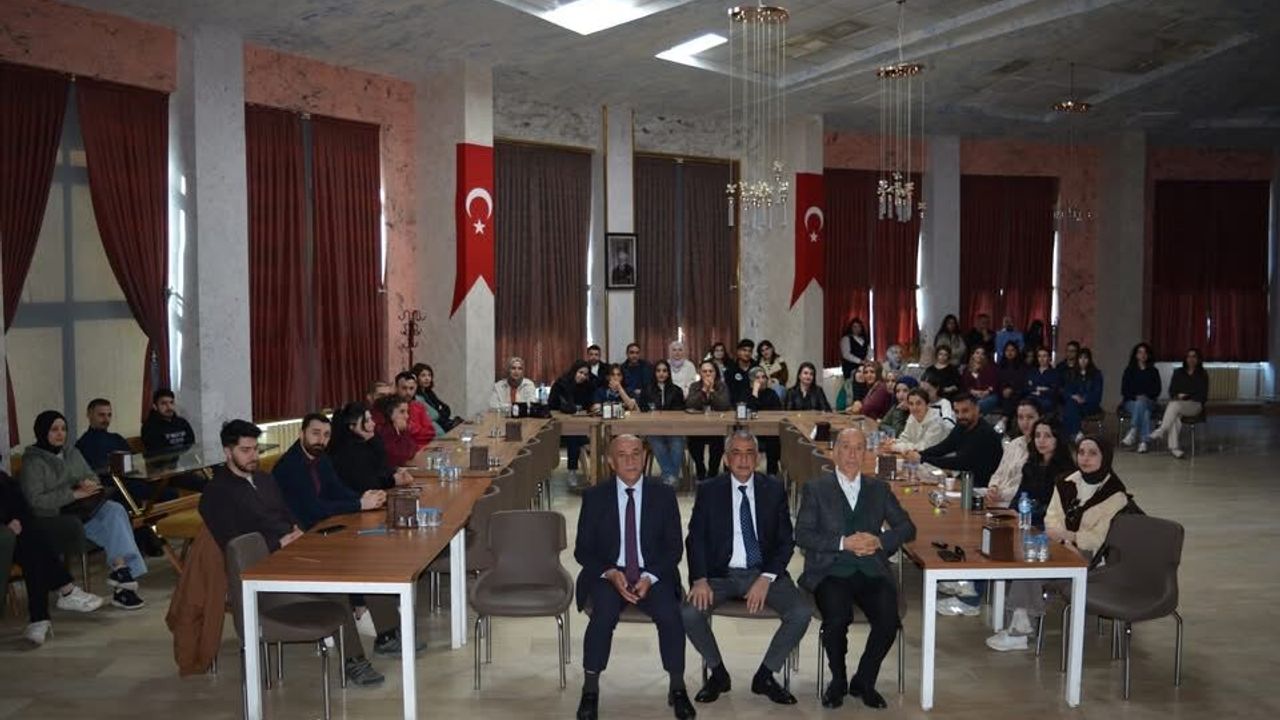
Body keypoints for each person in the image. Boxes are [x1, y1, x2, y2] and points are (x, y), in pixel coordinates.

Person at [198, 420, 387, 685]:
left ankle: (389, 633)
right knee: (336, 586)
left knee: (357, 563)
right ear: (228, 452)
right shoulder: (216, 494)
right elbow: (233, 545)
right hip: (261, 574)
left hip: (292, 556)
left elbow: (287, 515)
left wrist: (297, 532)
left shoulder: (264, 479)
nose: (253, 456)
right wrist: (278, 544)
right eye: (245, 450)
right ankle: (354, 661)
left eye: (255, 449)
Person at [682, 431, 809, 706]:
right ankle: (718, 674)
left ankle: (765, 675)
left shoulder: (772, 489)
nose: (743, 460)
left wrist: (766, 577)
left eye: (749, 453)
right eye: (736, 453)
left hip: (763, 571)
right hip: (721, 574)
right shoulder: (710, 490)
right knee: (689, 613)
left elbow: (786, 541)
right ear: (726, 459)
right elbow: (696, 538)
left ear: (758, 458)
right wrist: (699, 579)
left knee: (801, 612)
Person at [573, 435, 694, 720]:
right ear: (611, 462)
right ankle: (590, 689)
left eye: (636, 453)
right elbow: (583, 550)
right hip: (609, 573)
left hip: (653, 573)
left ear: (644, 457)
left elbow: (674, 548)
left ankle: (677, 687)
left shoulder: (663, 495)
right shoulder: (595, 497)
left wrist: (650, 576)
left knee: (670, 614)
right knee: (603, 614)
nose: (630, 460)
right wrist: (611, 572)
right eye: (622, 455)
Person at [795, 428, 916, 709]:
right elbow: (802, 534)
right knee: (837, 619)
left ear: (866, 453)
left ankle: (864, 680)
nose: (852, 454)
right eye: (846, 447)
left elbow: (907, 528)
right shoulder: (816, 489)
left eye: (859, 447)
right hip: (831, 570)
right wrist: (842, 543)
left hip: (871, 569)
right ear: (835, 451)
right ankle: (838, 680)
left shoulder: (878, 489)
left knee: (889, 620)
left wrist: (879, 541)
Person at [986, 435, 1133, 652]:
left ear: (1106, 457)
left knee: (1035, 565)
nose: (1085, 458)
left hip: (1092, 555)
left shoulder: (1115, 494)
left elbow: (1100, 537)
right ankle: (1020, 625)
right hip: (1060, 544)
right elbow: (1051, 518)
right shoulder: (1066, 482)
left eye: (1093, 453)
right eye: (1081, 452)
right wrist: (1063, 538)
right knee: (1029, 560)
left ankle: (1020, 630)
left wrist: (1070, 537)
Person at [18, 410, 146, 610]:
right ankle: (123, 582)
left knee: (115, 510)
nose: (60, 434)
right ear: (42, 432)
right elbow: (34, 501)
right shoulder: (33, 461)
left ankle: (121, 572)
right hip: (56, 516)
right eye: (54, 429)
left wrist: (88, 483)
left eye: (63, 429)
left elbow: (91, 475)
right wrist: (73, 494)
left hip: (84, 509)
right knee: (111, 527)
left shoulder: (72, 453)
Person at [906, 394, 1003, 616]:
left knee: (968, 533)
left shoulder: (985, 434)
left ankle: (970, 593)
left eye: (965, 411)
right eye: (957, 412)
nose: (961, 416)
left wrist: (922, 459)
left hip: (985, 493)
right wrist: (921, 454)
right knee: (945, 520)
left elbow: (962, 461)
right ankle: (961, 575)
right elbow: (944, 447)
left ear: (977, 409)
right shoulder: (962, 427)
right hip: (966, 486)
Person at [1, 470, 103, 646]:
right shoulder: (33, 462)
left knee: (31, 542)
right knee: (31, 541)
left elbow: (21, 504)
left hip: (13, 533)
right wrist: (5, 523)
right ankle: (63, 592)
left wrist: (15, 520)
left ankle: (40, 619)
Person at [273, 413, 387, 531]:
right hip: (298, 531)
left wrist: (366, 497)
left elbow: (337, 489)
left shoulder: (321, 457)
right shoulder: (290, 465)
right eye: (315, 433)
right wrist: (360, 504)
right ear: (302, 434)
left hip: (321, 523)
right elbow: (314, 509)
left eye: (326, 435)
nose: (321, 440)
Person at [330, 402, 415, 493]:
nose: (373, 424)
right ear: (352, 426)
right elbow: (365, 483)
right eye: (367, 421)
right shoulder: (347, 451)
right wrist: (393, 480)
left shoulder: (370, 442)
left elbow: (383, 468)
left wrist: (396, 472)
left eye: (371, 419)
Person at [1148, 347, 1208, 459]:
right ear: (1185, 358)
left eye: (1194, 356)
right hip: (1179, 404)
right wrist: (1178, 395)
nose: (1191, 359)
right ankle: (1175, 449)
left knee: (1174, 405)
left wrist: (1186, 396)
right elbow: (1172, 391)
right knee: (1174, 417)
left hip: (1195, 405)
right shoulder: (1178, 372)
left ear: (1198, 359)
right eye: (1189, 356)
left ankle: (1162, 429)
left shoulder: (1202, 374)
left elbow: (1202, 395)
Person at [984, 399, 1042, 508]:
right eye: (1021, 417)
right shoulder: (1014, 443)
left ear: (1040, 418)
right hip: (996, 498)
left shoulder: (1041, 448)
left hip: (1015, 503)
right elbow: (999, 473)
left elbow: (1023, 486)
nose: (1025, 422)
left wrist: (1001, 494)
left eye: (1030, 417)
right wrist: (993, 487)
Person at [550, 361, 600, 484]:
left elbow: (590, 404)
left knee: (576, 435)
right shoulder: (561, 384)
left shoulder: (588, 386)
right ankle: (573, 470)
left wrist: (594, 406)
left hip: (581, 422)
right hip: (560, 422)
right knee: (574, 435)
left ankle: (577, 470)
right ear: (574, 371)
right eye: (580, 372)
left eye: (585, 374)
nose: (582, 376)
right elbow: (554, 404)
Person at [686, 360, 732, 480]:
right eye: (704, 371)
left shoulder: (721, 386)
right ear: (700, 373)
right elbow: (690, 404)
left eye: (710, 371)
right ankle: (700, 469)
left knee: (718, 443)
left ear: (715, 373)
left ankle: (713, 472)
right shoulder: (694, 386)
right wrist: (703, 390)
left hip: (717, 427)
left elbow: (724, 405)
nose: (708, 374)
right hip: (698, 427)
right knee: (693, 442)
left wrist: (711, 391)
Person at [646, 360, 687, 487]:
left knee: (677, 443)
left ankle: (668, 478)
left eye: (664, 371)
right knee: (656, 442)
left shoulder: (676, 390)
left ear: (669, 373)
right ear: (654, 373)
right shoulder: (647, 390)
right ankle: (671, 477)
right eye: (658, 371)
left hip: (673, 428)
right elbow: (643, 410)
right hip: (653, 428)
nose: (661, 373)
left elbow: (680, 411)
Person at [1120, 342, 1162, 454]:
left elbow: (1157, 390)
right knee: (1145, 412)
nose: (1142, 355)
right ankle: (1143, 442)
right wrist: (1136, 396)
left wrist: (1145, 396)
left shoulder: (1153, 371)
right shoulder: (1129, 371)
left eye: (1145, 353)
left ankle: (1133, 430)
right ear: (1136, 355)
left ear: (1148, 355)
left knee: (1143, 403)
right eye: (1140, 352)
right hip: (1131, 402)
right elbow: (1124, 390)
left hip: (1149, 401)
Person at [886, 389, 950, 453]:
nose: (914, 408)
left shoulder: (936, 422)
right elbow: (905, 438)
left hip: (939, 457)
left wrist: (897, 447)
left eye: (918, 403)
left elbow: (924, 447)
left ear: (927, 404)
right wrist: (893, 442)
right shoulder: (912, 417)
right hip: (920, 456)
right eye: (911, 404)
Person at [75, 398, 131, 472]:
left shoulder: (117, 438)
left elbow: (130, 464)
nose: (106, 419)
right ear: (89, 415)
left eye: (109, 415)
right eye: (101, 415)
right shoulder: (82, 444)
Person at [745, 367, 783, 475]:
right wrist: (755, 392)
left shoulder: (772, 393)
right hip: (750, 429)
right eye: (757, 378)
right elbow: (749, 411)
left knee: (773, 441)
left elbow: (777, 412)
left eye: (763, 377)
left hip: (769, 430)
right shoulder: (747, 393)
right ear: (752, 380)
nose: (761, 380)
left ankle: (772, 473)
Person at [1060, 347, 1103, 440]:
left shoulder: (1096, 374)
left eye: (1085, 358)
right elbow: (1067, 391)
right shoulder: (1071, 374)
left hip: (1090, 405)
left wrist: (1085, 399)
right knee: (1070, 405)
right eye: (1080, 358)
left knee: (1070, 409)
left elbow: (1097, 394)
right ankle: (1077, 433)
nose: (1083, 361)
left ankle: (1071, 435)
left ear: (1089, 360)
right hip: (1074, 403)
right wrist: (1074, 396)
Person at [141, 388, 196, 457]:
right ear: (155, 407)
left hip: (184, 460)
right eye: (163, 403)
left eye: (171, 402)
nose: (169, 407)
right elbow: (157, 452)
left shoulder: (182, 423)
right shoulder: (149, 427)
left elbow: (191, 444)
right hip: (162, 463)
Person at [412, 363, 461, 433]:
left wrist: (440, 410)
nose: (427, 378)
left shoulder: (429, 393)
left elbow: (446, 409)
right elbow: (434, 415)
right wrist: (440, 409)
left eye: (429, 375)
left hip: (442, 423)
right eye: (423, 375)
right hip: (435, 427)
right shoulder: (417, 396)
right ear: (416, 378)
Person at [394, 371, 437, 448]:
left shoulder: (418, 406)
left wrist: (412, 429)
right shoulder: (391, 408)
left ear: (415, 388)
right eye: (404, 388)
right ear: (396, 388)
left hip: (423, 449)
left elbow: (431, 433)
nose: (408, 392)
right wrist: (419, 431)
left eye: (411, 388)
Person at [375, 396, 419, 469]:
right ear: (390, 414)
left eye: (407, 412)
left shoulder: (401, 429)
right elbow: (397, 458)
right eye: (402, 412)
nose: (407, 416)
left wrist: (403, 433)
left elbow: (413, 448)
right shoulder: (383, 431)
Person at [995, 341, 1028, 424]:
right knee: (1006, 399)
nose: (1009, 353)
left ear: (1016, 352)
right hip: (1002, 393)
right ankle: (1005, 422)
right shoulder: (1000, 366)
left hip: (1018, 393)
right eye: (1007, 350)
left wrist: (1012, 389)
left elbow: (1023, 382)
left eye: (1012, 350)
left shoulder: (1023, 366)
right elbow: (997, 382)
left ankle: (1004, 420)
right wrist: (1003, 389)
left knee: (1012, 399)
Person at [962, 346, 1000, 415]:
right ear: (973, 355)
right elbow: (965, 385)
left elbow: (995, 383)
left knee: (981, 403)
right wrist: (973, 391)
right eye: (977, 353)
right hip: (973, 395)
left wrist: (987, 392)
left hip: (989, 395)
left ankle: (974, 414)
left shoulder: (991, 368)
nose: (979, 355)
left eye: (982, 354)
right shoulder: (967, 370)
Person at [1024, 347, 1061, 414]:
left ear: (1049, 358)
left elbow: (1054, 390)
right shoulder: (1032, 372)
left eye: (1044, 356)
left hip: (1047, 400)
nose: (1041, 359)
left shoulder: (1055, 373)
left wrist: (1039, 391)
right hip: (1032, 398)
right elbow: (1027, 388)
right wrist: (1039, 388)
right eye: (1039, 356)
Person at [725, 339, 759, 405]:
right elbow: (729, 392)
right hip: (735, 405)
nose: (747, 353)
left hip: (755, 405)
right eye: (744, 350)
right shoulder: (730, 370)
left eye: (750, 351)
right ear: (738, 352)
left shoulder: (757, 369)